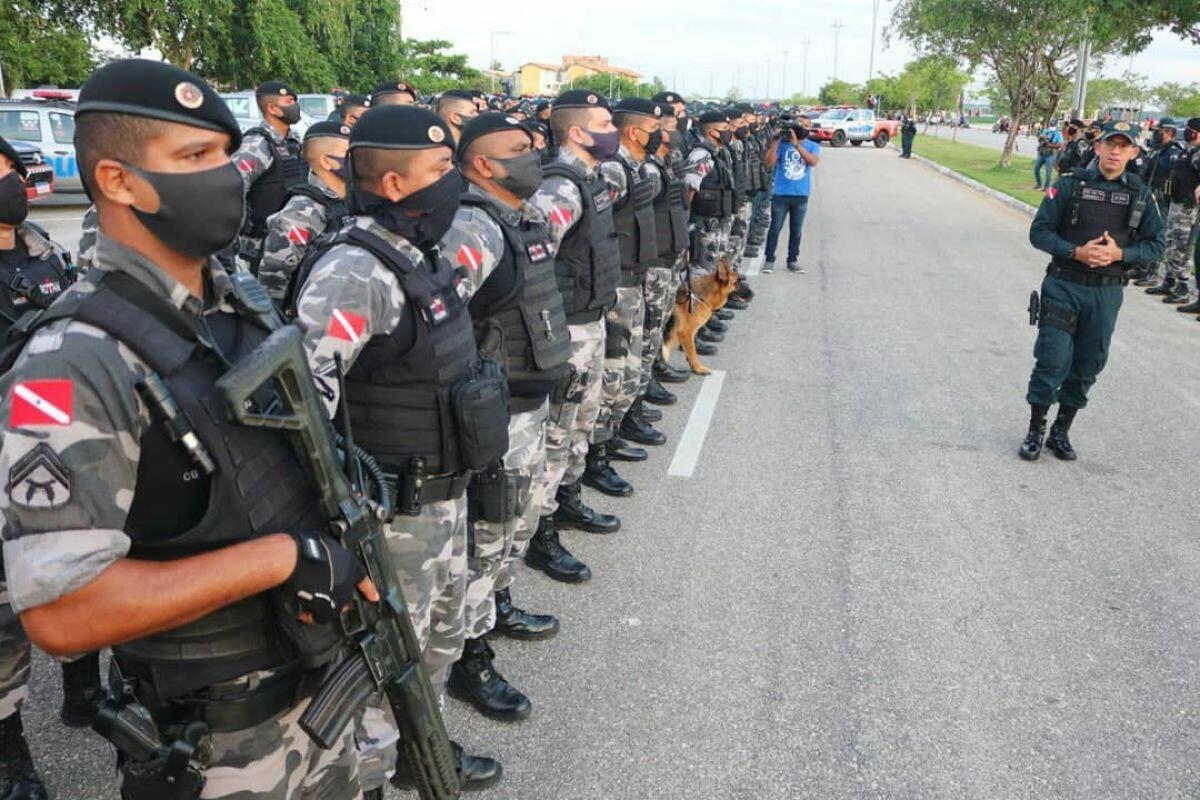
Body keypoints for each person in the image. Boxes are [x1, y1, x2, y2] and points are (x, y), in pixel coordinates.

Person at [2, 58, 374, 799]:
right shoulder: (71, 360)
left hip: (319, 683)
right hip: (219, 737)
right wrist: (278, 558)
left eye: (227, 154)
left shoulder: (234, 299)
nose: (228, 175)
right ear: (116, 181)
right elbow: (62, 610)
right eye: (195, 158)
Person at [290, 103, 506, 793]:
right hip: (391, 518)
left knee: (436, 648)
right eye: (442, 171)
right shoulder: (353, 271)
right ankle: (371, 779)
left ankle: (422, 750)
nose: (455, 183)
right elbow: (302, 413)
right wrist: (339, 530)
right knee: (385, 669)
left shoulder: (422, 256)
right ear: (392, 185)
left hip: (443, 503)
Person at [437, 112, 570, 722]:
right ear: (483, 164)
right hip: (498, 417)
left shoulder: (519, 217)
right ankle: (469, 661)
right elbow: (438, 324)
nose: (534, 153)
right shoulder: (472, 226)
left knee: (510, 531)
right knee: (483, 543)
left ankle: (495, 611)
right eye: (519, 148)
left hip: (527, 404)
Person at [0, 133, 80, 800]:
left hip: (58, 450)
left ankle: (87, 696)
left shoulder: (43, 251)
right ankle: (9, 750)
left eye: (8, 170)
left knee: (80, 577)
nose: (11, 183)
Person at [1019, 121, 1165, 461]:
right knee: (1052, 359)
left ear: (1133, 153)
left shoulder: (1141, 194)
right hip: (1063, 284)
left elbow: (1156, 245)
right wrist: (1075, 252)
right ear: (1097, 148)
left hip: (1106, 292)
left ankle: (1061, 431)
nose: (1115, 151)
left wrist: (1120, 255)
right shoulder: (1070, 185)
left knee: (1088, 364)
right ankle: (1036, 429)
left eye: (1122, 146)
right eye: (1109, 144)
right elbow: (1039, 232)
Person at [526, 89, 623, 582]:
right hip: (568, 330)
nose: (614, 129)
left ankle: (566, 502)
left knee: (581, 423)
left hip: (591, 318)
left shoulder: (591, 178)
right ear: (578, 132)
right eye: (604, 121)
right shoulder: (559, 189)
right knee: (559, 431)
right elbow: (532, 264)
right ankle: (540, 536)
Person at [588, 97, 664, 495]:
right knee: (612, 373)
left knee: (626, 371)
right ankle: (595, 458)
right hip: (616, 283)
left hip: (633, 277)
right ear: (635, 132)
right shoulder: (614, 170)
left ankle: (610, 437)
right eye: (654, 128)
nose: (662, 134)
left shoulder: (634, 166)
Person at [258, 120, 350, 304]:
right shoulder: (302, 212)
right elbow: (272, 282)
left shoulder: (352, 200)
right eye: (349, 154)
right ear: (326, 161)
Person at [230, 80, 306, 272]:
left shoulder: (293, 141)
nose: (295, 105)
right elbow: (232, 187)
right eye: (289, 101)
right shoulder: (257, 144)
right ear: (273, 108)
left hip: (292, 244)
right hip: (262, 248)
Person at [1145, 117, 1200, 306]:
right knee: (1170, 243)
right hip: (1175, 204)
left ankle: (1183, 287)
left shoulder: (1198, 153)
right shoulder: (1187, 151)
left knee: (1182, 248)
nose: (1185, 132)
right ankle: (1169, 281)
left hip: (1188, 208)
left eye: (1189, 129)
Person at [1131, 117, 1185, 287]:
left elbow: (1172, 179)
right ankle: (1141, 267)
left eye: (1159, 132)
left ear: (1168, 132)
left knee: (1156, 233)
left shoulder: (1173, 153)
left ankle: (1152, 273)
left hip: (1161, 200)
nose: (1156, 135)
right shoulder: (1157, 150)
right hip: (1148, 195)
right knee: (1140, 230)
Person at [763, 115, 819, 273]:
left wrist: (797, 145)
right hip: (781, 193)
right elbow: (769, 162)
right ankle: (769, 259)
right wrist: (776, 142)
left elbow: (813, 162)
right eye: (801, 125)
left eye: (807, 125)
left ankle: (792, 260)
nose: (804, 128)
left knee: (796, 230)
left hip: (800, 194)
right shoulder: (782, 144)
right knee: (775, 228)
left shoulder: (812, 145)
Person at [1033, 123, 1065, 190]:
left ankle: (1046, 187)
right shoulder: (1046, 131)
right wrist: (1041, 138)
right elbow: (1039, 140)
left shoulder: (1058, 134)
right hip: (1042, 152)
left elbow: (1060, 144)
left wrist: (1050, 145)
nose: (1052, 127)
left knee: (1048, 172)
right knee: (1036, 168)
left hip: (1051, 154)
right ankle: (1039, 184)